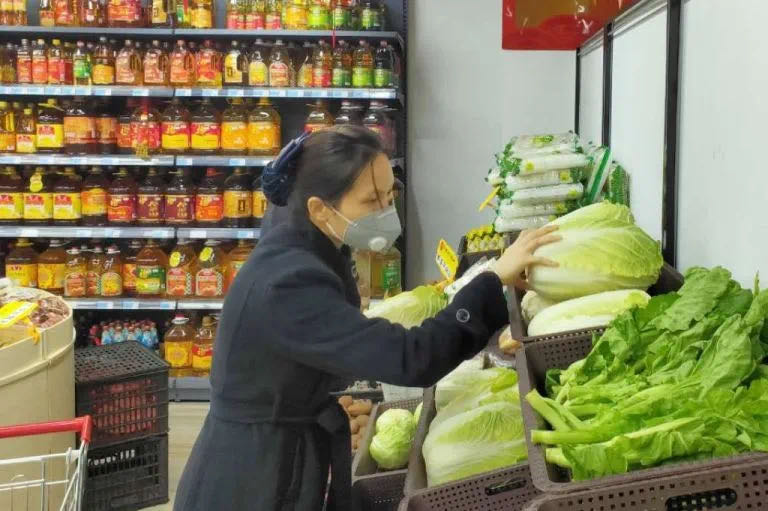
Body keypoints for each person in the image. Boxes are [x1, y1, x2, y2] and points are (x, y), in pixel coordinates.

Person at [173, 126, 559, 511]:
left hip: (277, 449)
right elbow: (411, 359)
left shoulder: (305, 237)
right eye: (371, 200)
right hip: (254, 476)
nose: (386, 211)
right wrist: (490, 280)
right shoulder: (289, 283)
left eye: (390, 195)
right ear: (320, 209)